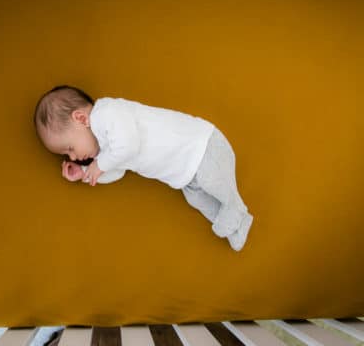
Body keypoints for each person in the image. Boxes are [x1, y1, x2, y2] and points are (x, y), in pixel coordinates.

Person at [34, 85, 254, 251]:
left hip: (202, 146)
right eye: (67, 155)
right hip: (185, 175)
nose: (73, 156)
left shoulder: (107, 113)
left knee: (215, 184)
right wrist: (85, 173)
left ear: (81, 118)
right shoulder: (107, 150)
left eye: (70, 148)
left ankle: (236, 210)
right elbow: (118, 171)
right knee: (198, 199)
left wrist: (98, 165)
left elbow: (128, 145)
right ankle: (238, 223)